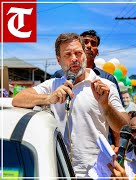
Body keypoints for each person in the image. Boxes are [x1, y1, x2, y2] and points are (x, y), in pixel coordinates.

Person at [12, 33, 129, 177]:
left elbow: (124, 127)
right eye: (67, 55)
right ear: (59, 60)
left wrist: (106, 105)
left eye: (78, 53)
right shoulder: (54, 84)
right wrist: (49, 98)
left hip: (96, 174)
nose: (74, 59)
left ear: (84, 56)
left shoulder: (105, 85)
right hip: (60, 171)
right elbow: (17, 99)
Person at [51, 30, 124, 147]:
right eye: (85, 42)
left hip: (101, 147)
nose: (89, 46)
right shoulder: (59, 76)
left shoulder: (107, 78)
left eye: (93, 44)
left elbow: (117, 113)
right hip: (63, 146)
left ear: (97, 52)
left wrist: (117, 145)